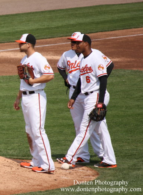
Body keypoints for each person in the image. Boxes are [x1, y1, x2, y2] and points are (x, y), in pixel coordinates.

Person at [56, 34, 117, 168]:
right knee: (101, 129)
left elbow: (103, 79)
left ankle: (70, 158)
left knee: (85, 128)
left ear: (86, 44)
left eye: (78, 43)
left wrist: (100, 102)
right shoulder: (83, 59)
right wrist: (73, 97)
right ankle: (110, 160)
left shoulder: (96, 57)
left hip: (95, 96)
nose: (75, 46)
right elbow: (80, 81)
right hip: (87, 95)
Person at [14, 33, 55, 173]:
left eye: (21, 43)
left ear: (28, 44)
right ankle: (36, 160)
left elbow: (50, 75)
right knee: (29, 130)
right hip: (26, 97)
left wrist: (34, 81)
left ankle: (48, 165)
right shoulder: (24, 59)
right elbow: (23, 81)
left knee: (38, 131)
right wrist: (18, 98)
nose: (19, 45)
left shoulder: (38, 58)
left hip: (36, 97)